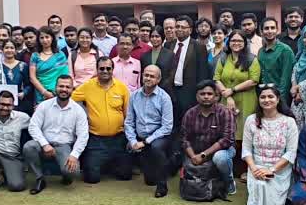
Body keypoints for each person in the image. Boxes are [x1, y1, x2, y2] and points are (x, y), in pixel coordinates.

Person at [24, 75, 89, 194]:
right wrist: (44, 144)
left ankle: (66, 176)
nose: (64, 89)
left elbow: (83, 135)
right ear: (56, 87)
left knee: (72, 171)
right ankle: (40, 179)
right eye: (61, 86)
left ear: (72, 89)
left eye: (67, 87)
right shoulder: (44, 105)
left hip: (64, 146)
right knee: (29, 147)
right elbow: (33, 126)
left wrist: (74, 155)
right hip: (43, 143)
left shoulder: (78, 110)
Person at [72, 56, 132, 184]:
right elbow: (69, 99)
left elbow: (128, 115)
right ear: (97, 70)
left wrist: (130, 137)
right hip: (96, 139)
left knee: (125, 175)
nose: (105, 71)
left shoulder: (122, 88)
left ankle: (109, 163)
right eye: (102, 68)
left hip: (118, 138)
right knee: (91, 178)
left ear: (112, 70)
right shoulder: (88, 86)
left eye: (108, 68)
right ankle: (101, 163)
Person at [242, 84, 299, 205]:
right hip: (256, 166)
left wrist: (272, 169)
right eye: (263, 97)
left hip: (279, 169)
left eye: (270, 97)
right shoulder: (251, 120)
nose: (266, 100)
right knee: (259, 190)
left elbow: (291, 152)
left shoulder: (289, 122)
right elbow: (246, 149)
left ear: (278, 99)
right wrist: (254, 168)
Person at [125, 65, 174, 197]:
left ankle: (162, 186)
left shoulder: (164, 98)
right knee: (149, 180)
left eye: (152, 76)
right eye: (146, 75)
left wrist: (146, 142)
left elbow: (167, 126)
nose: (148, 78)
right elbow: (129, 122)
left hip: (159, 137)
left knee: (157, 148)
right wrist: (133, 140)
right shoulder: (134, 96)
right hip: (140, 138)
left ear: (158, 79)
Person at [182, 80, 236, 195]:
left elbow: (226, 140)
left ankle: (229, 182)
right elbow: (185, 139)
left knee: (220, 159)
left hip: (221, 151)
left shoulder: (224, 112)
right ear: (197, 96)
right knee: (187, 164)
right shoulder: (190, 114)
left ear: (216, 96)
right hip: (196, 152)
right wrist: (193, 156)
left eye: (209, 94)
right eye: (202, 94)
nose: (206, 97)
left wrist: (203, 155)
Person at [156, 16, 211, 129]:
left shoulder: (198, 47)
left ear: (190, 30)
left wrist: (200, 93)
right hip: (170, 91)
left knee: (188, 125)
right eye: (177, 26)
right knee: (172, 124)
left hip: (189, 92)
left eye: (183, 27)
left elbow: (203, 73)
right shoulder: (168, 45)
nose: (179, 29)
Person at [214, 30, 261, 164]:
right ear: (229, 43)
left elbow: (254, 80)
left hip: (246, 100)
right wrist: (227, 95)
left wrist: (233, 90)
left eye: (240, 41)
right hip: (226, 100)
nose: (236, 43)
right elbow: (216, 78)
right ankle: (229, 165)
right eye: (233, 40)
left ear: (245, 43)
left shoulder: (252, 59)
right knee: (227, 131)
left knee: (245, 133)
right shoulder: (223, 58)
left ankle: (244, 167)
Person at [258, 17, 295, 104]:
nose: (270, 31)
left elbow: (285, 80)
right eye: (266, 28)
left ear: (277, 30)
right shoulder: (261, 51)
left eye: (272, 28)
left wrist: (280, 101)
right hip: (264, 97)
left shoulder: (285, 50)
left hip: (278, 99)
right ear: (261, 31)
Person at [28, 28, 68, 105]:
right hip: (40, 93)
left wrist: (54, 92)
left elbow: (64, 75)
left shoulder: (60, 55)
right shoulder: (35, 56)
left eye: (47, 37)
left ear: (52, 38)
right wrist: (44, 92)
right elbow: (32, 77)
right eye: (42, 38)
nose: (44, 40)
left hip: (57, 92)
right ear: (38, 40)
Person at [0, 39, 29, 114]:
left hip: (18, 102)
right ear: (2, 50)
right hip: (1, 103)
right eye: (6, 48)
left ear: (15, 51)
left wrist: (24, 93)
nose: (9, 50)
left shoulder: (23, 65)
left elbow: (29, 84)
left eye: (12, 48)